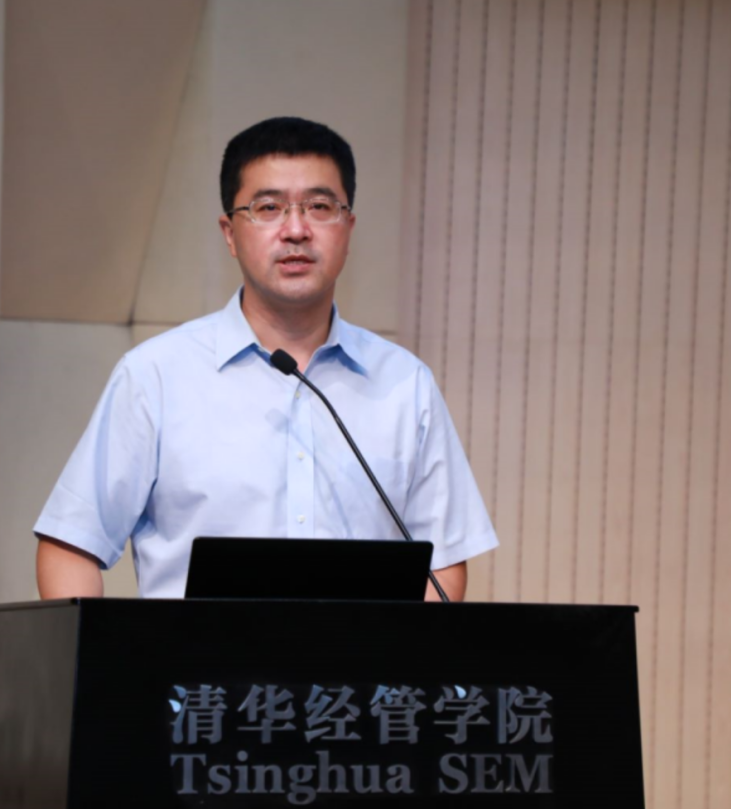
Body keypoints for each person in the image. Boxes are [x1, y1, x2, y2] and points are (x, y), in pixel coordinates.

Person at [34, 117, 498, 601]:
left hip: (359, 655)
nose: (296, 230)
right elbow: (71, 545)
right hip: (193, 655)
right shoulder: (155, 376)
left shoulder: (405, 384)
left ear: (348, 227)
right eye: (269, 208)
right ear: (230, 233)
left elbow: (442, 563)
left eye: (320, 207)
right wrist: (105, 651)